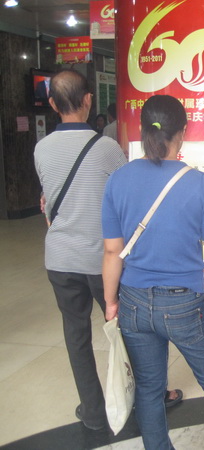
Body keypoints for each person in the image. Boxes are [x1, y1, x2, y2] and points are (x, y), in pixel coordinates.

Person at [102, 95, 204, 449]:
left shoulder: (118, 180)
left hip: (134, 301)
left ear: (142, 130)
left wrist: (111, 301)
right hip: (185, 303)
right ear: (183, 132)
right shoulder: (201, 184)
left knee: (149, 387)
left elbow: (111, 251)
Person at [33, 69, 128, 430]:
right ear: (88, 100)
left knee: (75, 335)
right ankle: (146, 394)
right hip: (102, 260)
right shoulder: (107, 148)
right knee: (125, 329)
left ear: (53, 104)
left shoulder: (41, 148)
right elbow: (124, 198)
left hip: (59, 258)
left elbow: (49, 201)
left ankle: (93, 411)